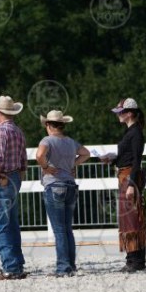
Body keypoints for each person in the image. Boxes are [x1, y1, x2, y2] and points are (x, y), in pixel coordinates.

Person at [36, 110, 90, 276]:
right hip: (70, 185)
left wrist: (45, 167)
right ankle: (71, 265)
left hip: (54, 185)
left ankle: (63, 268)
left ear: (48, 125)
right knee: (67, 229)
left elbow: (39, 155)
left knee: (59, 230)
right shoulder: (70, 142)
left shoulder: (47, 140)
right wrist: (73, 164)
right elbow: (86, 154)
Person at [101, 98, 146, 273]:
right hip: (126, 176)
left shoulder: (135, 133)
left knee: (131, 218)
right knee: (130, 217)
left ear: (129, 113)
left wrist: (132, 184)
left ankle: (135, 260)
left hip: (129, 178)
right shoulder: (131, 132)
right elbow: (128, 157)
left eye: (121, 112)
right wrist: (113, 159)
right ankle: (134, 258)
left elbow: (136, 160)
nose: (118, 115)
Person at [0, 95, 27, 280]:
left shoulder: (0, 132)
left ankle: (10, 267)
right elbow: (23, 161)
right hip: (14, 177)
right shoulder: (18, 131)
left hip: (1, 179)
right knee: (11, 225)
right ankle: (17, 264)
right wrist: (18, 182)